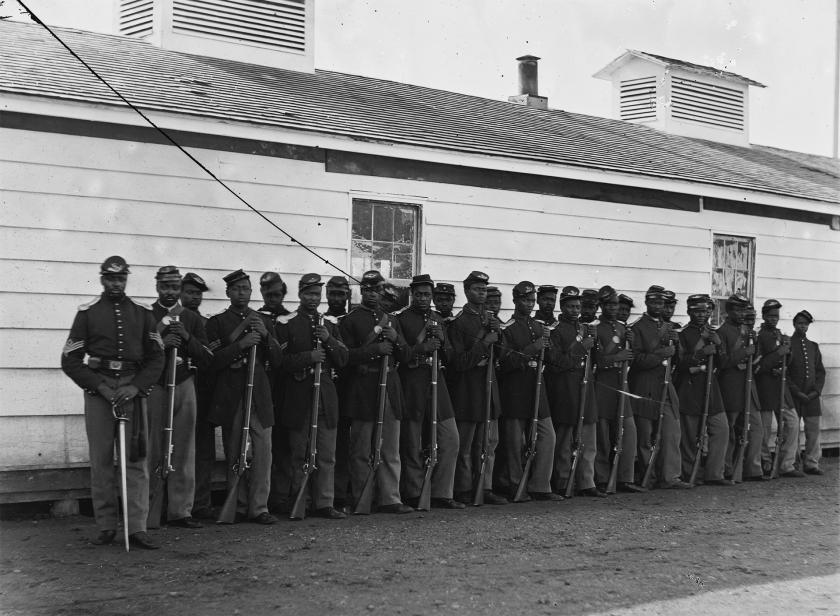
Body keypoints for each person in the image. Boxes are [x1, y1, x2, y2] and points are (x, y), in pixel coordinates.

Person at [61, 256, 165, 549]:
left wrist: (136, 386)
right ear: (102, 279)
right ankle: (106, 526)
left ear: (127, 279)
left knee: (136, 459)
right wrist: (100, 387)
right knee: (102, 460)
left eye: (120, 279)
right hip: (100, 392)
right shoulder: (88, 313)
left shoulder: (142, 313)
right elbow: (69, 359)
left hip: (132, 390)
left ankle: (137, 528)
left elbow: (157, 356)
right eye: (110, 278)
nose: (115, 284)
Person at [206, 269, 283, 524]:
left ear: (252, 292)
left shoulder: (264, 320)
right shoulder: (217, 322)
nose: (242, 293)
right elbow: (212, 361)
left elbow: (278, 359)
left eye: (246, 289)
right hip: (232, 393)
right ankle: (236, 505)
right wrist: (241, 344)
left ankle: (259, 507)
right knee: (235, 450)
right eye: (237, 289)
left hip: (259, 393)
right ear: (228, 292)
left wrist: (265, 336)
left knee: (264, 451)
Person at [276, 274, 349, 519]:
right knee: (300, 453)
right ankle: (301, 501)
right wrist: (309, 358)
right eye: (308, 293)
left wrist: (328, 340)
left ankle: (324, 503)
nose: (312, 299)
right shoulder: (286, 323)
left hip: (325, 395)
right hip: (299, 394)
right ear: (299, 294)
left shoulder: (330, 324)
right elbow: (280, 362)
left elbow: (343, 358)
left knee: (327, 453)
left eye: (316, 294)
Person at [339, 270, 413, 514]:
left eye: (377, 289)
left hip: (389, 387)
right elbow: (345, 357)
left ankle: (390, 498)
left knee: (390, 448)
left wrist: (396, 340)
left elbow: (406, 355)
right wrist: (375, 350)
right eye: (368, 289)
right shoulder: (350, 320)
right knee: (361, 448)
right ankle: (363, 497)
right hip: (364, 388)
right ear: (362, 291)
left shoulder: (392, 320)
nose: (372, 294)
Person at [147, 266, 212, 529]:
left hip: (184, 383)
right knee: (154, 448)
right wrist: (163, 341)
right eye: (165, 286)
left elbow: (207, 357)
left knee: (184, 449)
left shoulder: (191, 318)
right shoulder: (146, 315)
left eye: (174, 287)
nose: (170, 292)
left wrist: (185, 336)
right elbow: (139, 353)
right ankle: (152, 509)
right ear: (157, 287)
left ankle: (180, 510)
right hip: (156, 385)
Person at [394, 274, 465, 509]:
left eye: (428, 294)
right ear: (412, 294)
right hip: (412, 382)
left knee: (450, 437)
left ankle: (442, 492)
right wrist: (422, 347)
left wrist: (443, 342)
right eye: (420, 294)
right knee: (412, 440)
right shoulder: (401, 319)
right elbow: (400, 355)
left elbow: (451, 357)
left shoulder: (438, 320)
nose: (424, 298)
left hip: (438, 381)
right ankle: (414, 492)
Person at [447, 271, 508, 505]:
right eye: (476, 289)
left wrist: (497, 334)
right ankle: (463, 488)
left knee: (489, 444)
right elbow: (459, 362)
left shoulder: (491, 320)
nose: (481, 293)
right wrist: (484, 342)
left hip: (489, 390)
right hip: (468, 392)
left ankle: (486, 486)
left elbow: (502, 356)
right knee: (466, 446)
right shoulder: (459, 322)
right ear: (466, 291)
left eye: (484, 289)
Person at [497, 281, 561, 501]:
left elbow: (551, 359)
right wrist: (530, 350)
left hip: (537, 386)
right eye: (525, 300)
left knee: (547, 436)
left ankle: (540, 485)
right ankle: (516, 485)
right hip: (516, 389)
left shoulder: (538, 327)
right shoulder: (508, 328)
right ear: (515, 300)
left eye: (532, 300)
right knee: (516, 442)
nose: (529, 304)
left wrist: (548, 347)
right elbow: (504, 363)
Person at [629, 285, 690, 489]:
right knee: (645, 435)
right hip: (644, 384)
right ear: (647, 303)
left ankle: (670, 476)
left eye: (661, 303)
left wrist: (676, 346)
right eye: (654, 302)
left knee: (672, 431)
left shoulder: (670, 327)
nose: (658, 306)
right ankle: (648, 477)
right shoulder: (637, 327)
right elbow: (636, 360)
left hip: (665, 382)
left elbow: (679, 361)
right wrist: (661, 354)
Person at [546, 286, 602, 497]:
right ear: (562, 307)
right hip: (565, 390)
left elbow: (598, 360)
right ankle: (562, 482)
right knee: (564, 442)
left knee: (588, 440)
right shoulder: (555, 329)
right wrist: (581, 346)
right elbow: (557, 362)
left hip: (585, 389)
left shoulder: (585, 328)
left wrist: (594, 343)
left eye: (577, 306)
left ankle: (587, 482)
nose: (574, 310)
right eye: (570, 306)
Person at [675, 294, 732, 486]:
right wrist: (701, 351)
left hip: (711, 387)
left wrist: (718, 344)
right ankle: (690, 474)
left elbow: (723, 364)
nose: (702, 315)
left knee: (721, 428)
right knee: (690, 435)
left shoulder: (714, 333)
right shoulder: (682, 334)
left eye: (706, 311)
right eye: (697, 311)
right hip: (690, 388)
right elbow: (680, 363)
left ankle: (715, 473)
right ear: (689, 311)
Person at [593, 286, 645, 493]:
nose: (613, 308)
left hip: (621, 383)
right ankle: (603, 479)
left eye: (615, 304)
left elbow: (631, 357)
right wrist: (616, 358)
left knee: (627, 432)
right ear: (601, 306)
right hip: (603, 384)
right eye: (609, 304)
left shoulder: (624, 329)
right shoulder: (595, 328)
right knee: (604, 434)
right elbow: (595, 361)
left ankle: (625, 477)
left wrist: (630, 347)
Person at [180, 272, 219, 519]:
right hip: (179, 391)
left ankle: (201, 504)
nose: (194, 297)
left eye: (198, 293)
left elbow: (211, 357)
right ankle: (176, 505)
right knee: (180, 448)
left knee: (204, 451)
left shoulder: (206, 324)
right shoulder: (172, 320)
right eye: (189, 292)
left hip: (202, 393)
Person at [716, 293, 765, 482]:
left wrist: (754, 346)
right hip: (731, 386)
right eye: (737, 309)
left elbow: (757, 357)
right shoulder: (722, 332)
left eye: (743, 309)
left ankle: (752, 468)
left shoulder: (748, 331)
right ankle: (727, 469)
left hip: (749, 386)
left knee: (756, 428)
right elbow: (723, 362)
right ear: (728, 311)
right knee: (730, 430)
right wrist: (745, 352)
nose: (741, 313)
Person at [755, 299, 804, 478]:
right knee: (764, 429)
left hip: (781, 387)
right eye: (769, 316)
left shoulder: (778, 334)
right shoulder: (759, 336)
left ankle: (786, 464)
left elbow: (786, 362)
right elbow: (758, 366)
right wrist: (779, 354)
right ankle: (765, 462)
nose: (773, 319)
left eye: (776, 316)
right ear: (764, 316)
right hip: (766, 387)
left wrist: (787, 353)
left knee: (792, 422)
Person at [324, 275, 352, 509]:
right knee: (330, 443)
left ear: (348, 295)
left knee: (348, 444)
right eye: (332, 293)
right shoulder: (321, 320)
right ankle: (328, 494)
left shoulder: (352, 320)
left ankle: (344, 492)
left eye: (341, 294)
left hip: (350, 388)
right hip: (327, 388)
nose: (336, 298)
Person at [788, 310, 825, 475]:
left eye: (806, 324)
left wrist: (816, 391)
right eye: (800, 323)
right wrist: (796, 392)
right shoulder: (787, 344)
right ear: (794, 324)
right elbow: (786, 374)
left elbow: (820, 372)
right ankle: (793, 463)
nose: (803, 326)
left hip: (812, 396)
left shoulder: (813, 346)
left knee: (813, 429)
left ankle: (811, 463)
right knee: (792, 430)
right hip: (794, 395)